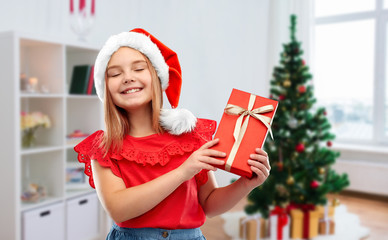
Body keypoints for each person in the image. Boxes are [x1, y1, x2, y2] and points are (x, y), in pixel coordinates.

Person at [74, 28, 270, 240]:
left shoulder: (190, 136)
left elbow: (209, 205)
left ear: (158, 77)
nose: (128, 78)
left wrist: (246, 184)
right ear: (106, 88)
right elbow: (119, 209)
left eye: (139, 69)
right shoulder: (104, 147)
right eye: (115, 73)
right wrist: (183, 171)